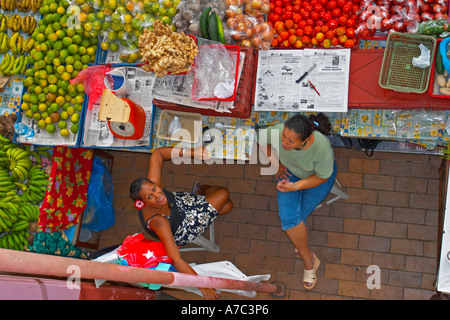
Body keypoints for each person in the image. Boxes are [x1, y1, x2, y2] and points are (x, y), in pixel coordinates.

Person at [129, 146, 233, 300]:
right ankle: (202, 190)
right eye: (150, 197)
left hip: (180, 204)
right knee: (225, 198)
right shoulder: (159, 221)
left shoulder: (155, 185)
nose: (158, 195)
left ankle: (201, 190)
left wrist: (192, 152)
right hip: (184, 227)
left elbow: (158, 153)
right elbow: (176, 259)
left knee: (225, 205)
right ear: (144, 203)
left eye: (155, 189)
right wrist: (203, 286)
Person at [257, 113, 337, 290]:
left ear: (306, 141)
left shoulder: (321, 147)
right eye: (283, 137)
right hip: (290, 174)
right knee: (292, 221)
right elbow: (261, 138)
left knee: (292, 220)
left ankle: (303, 251)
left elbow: (322, 176)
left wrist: (295, 187)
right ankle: (308, 259)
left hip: (317, 179)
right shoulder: (279, 131)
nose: (284, 143)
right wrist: (276, 163)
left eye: (290, 142)